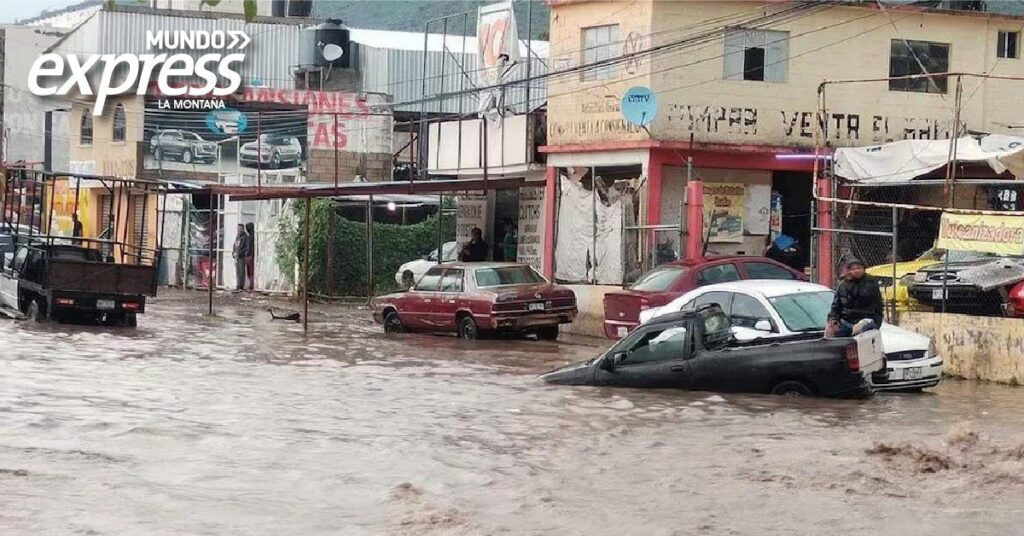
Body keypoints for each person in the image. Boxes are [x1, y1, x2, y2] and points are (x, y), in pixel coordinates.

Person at [827, 258, 884, 337]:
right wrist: (833, 319)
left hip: (866, 320)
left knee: (859, 331)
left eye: (858, 268)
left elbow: (878, 305)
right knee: (830, 332)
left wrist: (877, 322)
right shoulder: (843, 285)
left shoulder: (871, 283)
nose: (856, 271)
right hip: (846, 321)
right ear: (849, 271)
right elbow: (836, 306)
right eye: (853, 269)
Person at [232, 224, 249, 291]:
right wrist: (233, 253)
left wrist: (241, 253)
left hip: (241, 256)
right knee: (237, 271)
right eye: (238, 228)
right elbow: (235, 245)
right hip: (237, 256)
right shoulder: (237, 237)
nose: (239, 230)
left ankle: (241, 285)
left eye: (240, 228)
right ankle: (238, 284)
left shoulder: (245, 237)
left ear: (243, 229)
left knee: (242, 271)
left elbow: (246, 248)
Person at [245, 222, 256, 291]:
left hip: (250, 255)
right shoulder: (254, 236)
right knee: (251, 271)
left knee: (250, 271)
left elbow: (250, 247)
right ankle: (251, 284)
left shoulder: (250, 237)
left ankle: (251, 285)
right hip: (252, 255)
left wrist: (248, 255)